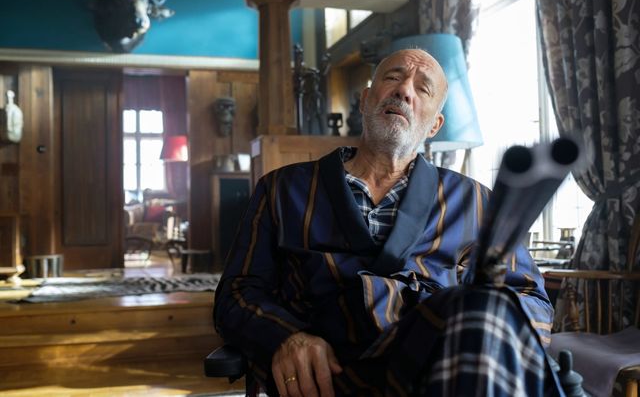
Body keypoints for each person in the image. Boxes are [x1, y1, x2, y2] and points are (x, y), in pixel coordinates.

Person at [214, 49, 562, 396]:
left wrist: (481, 321)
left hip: (442, 365)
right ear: (365, 100)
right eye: (393, 77)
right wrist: (285, 337)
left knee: (478, 308)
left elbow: (532, 299)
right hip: (331, 374)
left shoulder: (475, 201)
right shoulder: (283, 189)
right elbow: (236, 293)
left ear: (435, 125)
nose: (404, 90)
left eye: (423, 88)